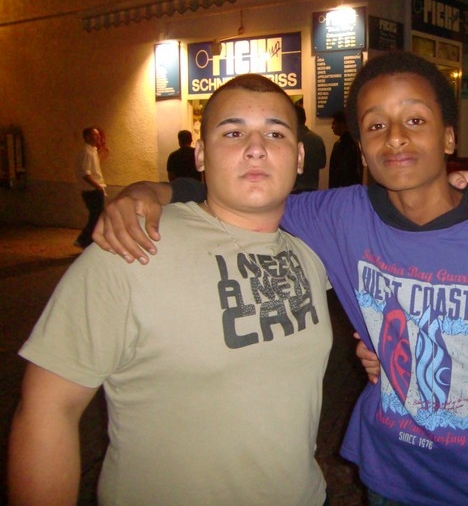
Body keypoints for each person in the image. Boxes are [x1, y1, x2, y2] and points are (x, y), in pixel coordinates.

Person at [93, 52, 468, 506]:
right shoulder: (338, 216)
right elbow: (247, 196)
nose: (396, 138)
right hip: (388, 472)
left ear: (448, 137)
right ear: (361, 147)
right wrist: (152, 190)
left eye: (415, 120)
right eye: (375, 126)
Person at [8, 75, 332, 505]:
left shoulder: (313, 253)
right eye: (232, 133)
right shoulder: (131, 248)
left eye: (275, 134)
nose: (256, 148)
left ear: (299, 157)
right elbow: (49, 408)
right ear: (200, 155)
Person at [74, 126, 107, 249]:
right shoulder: (86, 152)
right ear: (87, 137)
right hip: (91, 190)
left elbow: (94, 168)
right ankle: (84, 240)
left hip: (94, 189)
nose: (98, 137)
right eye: (95, 135)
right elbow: (85, 173)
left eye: (98, 135)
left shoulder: (92, 151)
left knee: (96, 216)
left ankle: (87, 240)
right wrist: (97, 186)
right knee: (96, 216)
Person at [293, 98, 327, 192]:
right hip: (312, 187)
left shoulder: (289, 140)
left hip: (293, 189)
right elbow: (322, 164)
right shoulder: (317, 139)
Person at [328, 109, 363, 187]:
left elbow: (341, 172)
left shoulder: (343, 144)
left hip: (342, 187)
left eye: (334, 123)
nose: (332, 127)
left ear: (342, 124)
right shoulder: (354, 142)